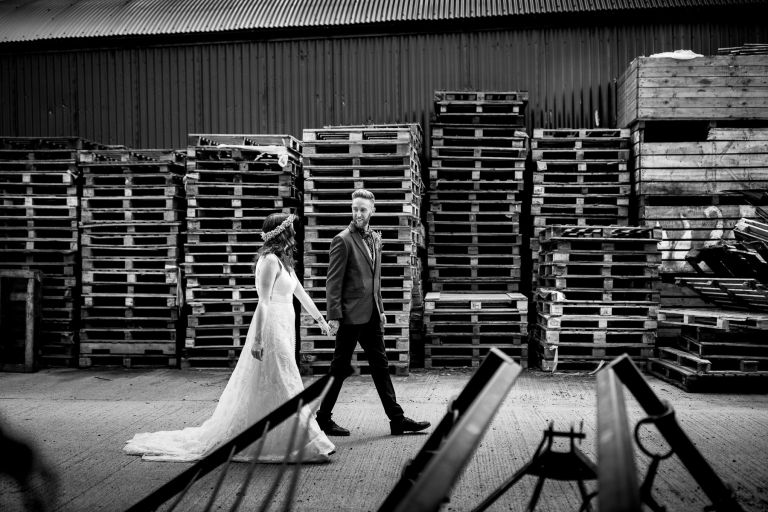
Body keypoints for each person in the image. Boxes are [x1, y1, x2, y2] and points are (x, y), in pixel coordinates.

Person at [124, 213, 335, 463]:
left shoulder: (284, 261)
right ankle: (308, 441)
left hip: (286, 326)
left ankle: (282, 437)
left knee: (276, 382)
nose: (295, 234)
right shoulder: (269, 261)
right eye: (290, 230)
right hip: (271, 329)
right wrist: (257, 340)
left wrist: (320, 320)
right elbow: (264, 304)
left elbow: (300, 293)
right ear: (280, 233)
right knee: (285, 380)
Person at [317, 189, 430, 436]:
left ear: (372, 211)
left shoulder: (375, 239)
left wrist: (381, 309)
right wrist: (334, 316)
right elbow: (332, 283)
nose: (358, 213)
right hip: (349, 317)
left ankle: (397, 420)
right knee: (339, 369)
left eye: (363, 209)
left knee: (381, 366)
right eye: (355, 208)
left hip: (370, 316)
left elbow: (374, 280)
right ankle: (323, 419)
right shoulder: (342, 240)